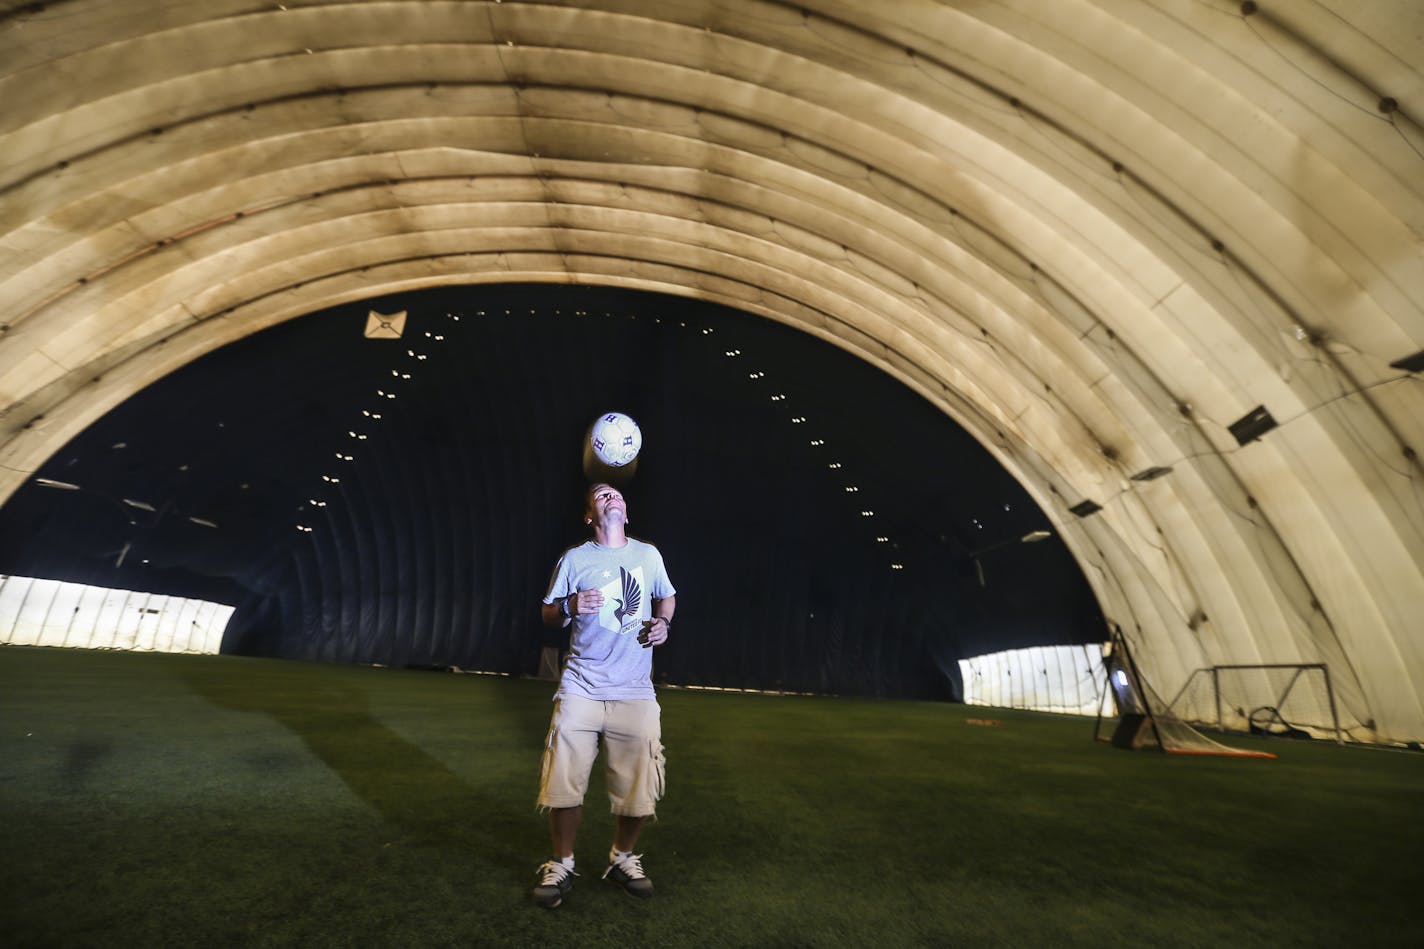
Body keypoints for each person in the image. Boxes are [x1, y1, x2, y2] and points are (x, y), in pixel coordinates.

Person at [532, 482, 676, 909]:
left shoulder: (648, 556)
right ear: (588, 516)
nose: (610, 496)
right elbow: (547, 612)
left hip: (634, 689)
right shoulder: (574, 560)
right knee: (563, 779)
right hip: (582, 685)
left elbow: (666, 598)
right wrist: (571, 606)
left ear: (626, 513)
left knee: (638, 786)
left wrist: (664, 624)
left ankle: (621, 858)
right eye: (600, 493)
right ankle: (562, 862)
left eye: (616, 493)